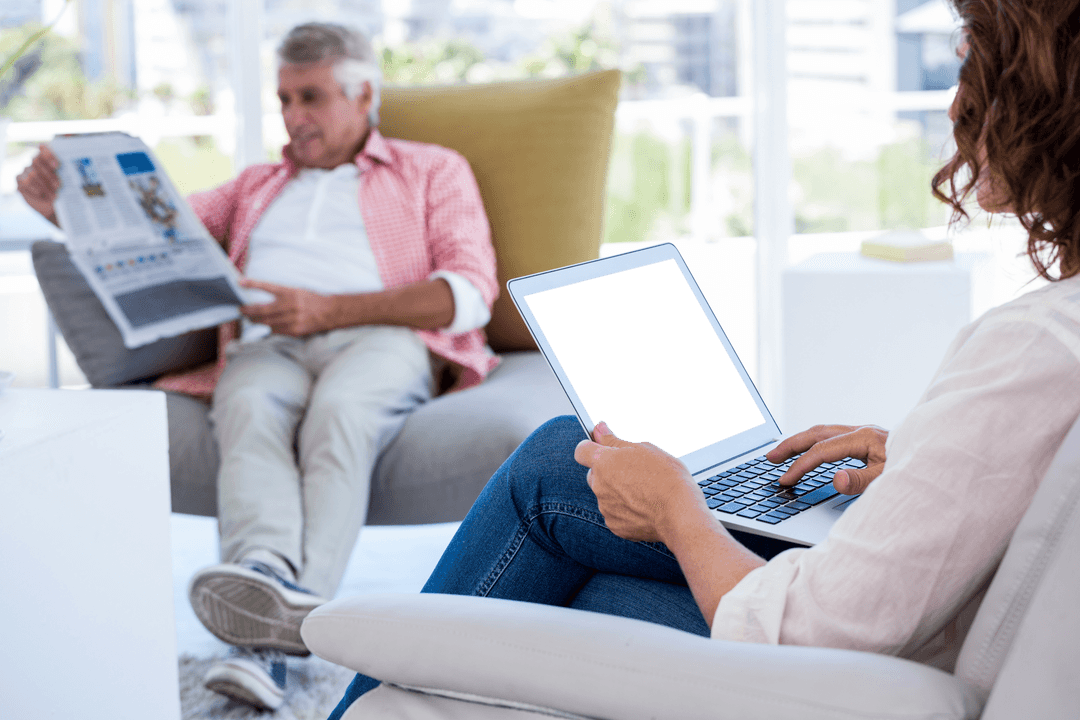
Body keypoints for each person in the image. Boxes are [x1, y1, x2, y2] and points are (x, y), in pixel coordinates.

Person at [326, 0, 1080, 715]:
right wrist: (916, 463)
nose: (955, 107)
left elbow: (812, 630)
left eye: (972, 72)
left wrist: (677, 513)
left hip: (853, 672)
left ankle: (364, 685)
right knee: (571, 513)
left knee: (559, 480)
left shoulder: (1033, 346)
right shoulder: (1060, 331)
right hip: (911, 619)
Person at [17, 22, 498, 711]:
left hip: (381, 336)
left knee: (341, 415)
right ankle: (264, 578)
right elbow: (161, 237)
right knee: (245, 406)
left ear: (364, 95)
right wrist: (69, 209)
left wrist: (328, 310)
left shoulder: (431, 169)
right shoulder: (257, 184)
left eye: (312, 98)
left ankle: (278, 637)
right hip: (265, 346)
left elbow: (470, 293)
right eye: (284, 100)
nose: (294, 118)